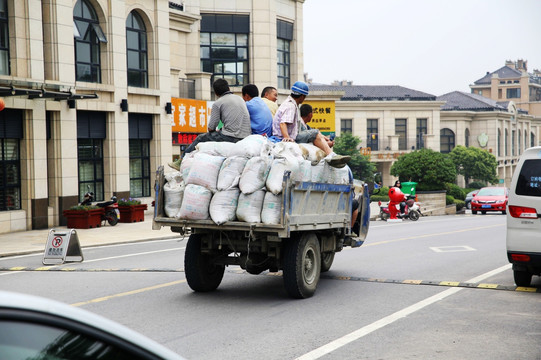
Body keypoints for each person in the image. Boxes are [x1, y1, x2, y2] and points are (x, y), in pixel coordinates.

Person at [168, 78, 251, 170]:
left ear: (216, 93)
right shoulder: (240, 99)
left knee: (201, 138)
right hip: (246, 136)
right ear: (228, 88)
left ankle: (181, 161)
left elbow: (211, 128)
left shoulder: (218, 103)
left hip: (231, 137)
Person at [271, 81, 350, 168]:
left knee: (314, 133)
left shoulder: (291, 104)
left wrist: (324, 138)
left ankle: (327, 149)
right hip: (286, 137)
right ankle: (330, 155)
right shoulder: (290, 106)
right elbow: (283, 123)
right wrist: (286, 138)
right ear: (302, 96)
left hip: (292, 135)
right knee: (314, 132)